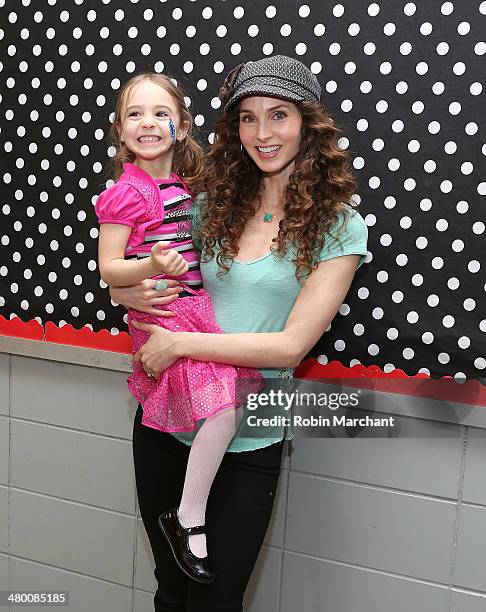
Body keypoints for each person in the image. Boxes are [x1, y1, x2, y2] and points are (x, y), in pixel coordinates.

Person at [110, 55, 369, 612]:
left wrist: (179, 342)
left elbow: (290, 346)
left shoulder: (339, 224)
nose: (263, 132)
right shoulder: (212, 206)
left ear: (308, 123)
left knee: (215, 600)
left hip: (252, 429)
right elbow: (141, 266)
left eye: (278, 115)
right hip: (166, 422)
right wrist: (125, 293)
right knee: (171, 590)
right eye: (247, 118)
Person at [95, 73, 263, 584]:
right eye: (134, 114)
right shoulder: (126, 193)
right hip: (165, 319)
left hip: (193, 313)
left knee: (226, 403)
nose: (148, 123)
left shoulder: (185, 187)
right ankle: (188, 516)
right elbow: (110, 268)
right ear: (119, 130)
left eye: (159, 113)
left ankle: (187, 513)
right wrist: (149, 265)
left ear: (181, 125)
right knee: (222, 405)